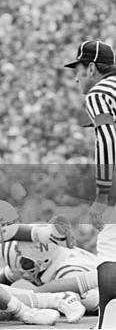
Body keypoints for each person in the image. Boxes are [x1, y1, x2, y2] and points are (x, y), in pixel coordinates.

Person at [64, 40, 116, 328]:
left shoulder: (100, 92)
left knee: (110, 248)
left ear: (93, 67)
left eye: (79, 69)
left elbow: (108, 139)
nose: (76, 77)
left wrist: (103, 195)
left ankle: (108, 323)